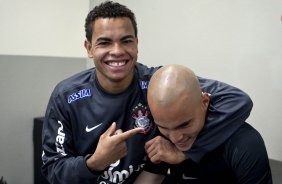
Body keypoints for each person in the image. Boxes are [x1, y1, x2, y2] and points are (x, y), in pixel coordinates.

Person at [41, 1, 253, 184]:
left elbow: (237, 100)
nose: (117, 51)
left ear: (137, 44)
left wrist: (185, 151)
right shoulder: (66, 96)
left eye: (126, 41)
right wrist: (96, 162)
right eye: (105, 42)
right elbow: (53, 171)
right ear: (89, 48)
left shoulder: (156, 84)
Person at [134, 64, 272, 184]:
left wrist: (185, 153)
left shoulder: (244, 143)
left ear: (205, 102)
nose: (175, 138)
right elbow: (151, 178)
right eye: (163, 127)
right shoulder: (165, 138)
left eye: (184, 125)